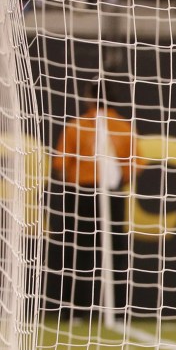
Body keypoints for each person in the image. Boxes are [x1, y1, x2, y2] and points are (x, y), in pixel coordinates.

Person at [46, 81, 139, 318]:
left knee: (78, 252)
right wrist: (117, 178)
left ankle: (74, 310)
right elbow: (135, 164)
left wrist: (78, 175)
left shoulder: (77, 127)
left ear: (89, 98)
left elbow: (60, 163)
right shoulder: (124, 127)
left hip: (82, 195)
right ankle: (117, 311)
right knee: (114, 252)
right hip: (112, 193)